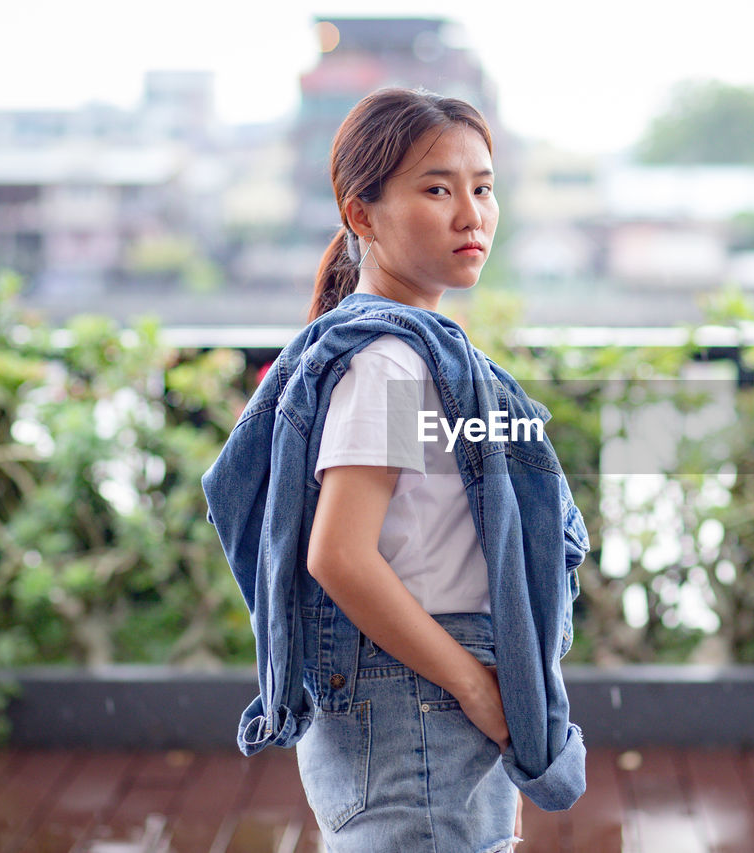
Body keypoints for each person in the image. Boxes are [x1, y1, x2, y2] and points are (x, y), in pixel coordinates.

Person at [202, 88, 589, 852]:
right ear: (362, 215)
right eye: (436, 188)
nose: (470, 212)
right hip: (419, 698)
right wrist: (477, 688)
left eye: (482, 187)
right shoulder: (389, 363)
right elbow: (339, 555)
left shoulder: (407, 353)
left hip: (419, 700)